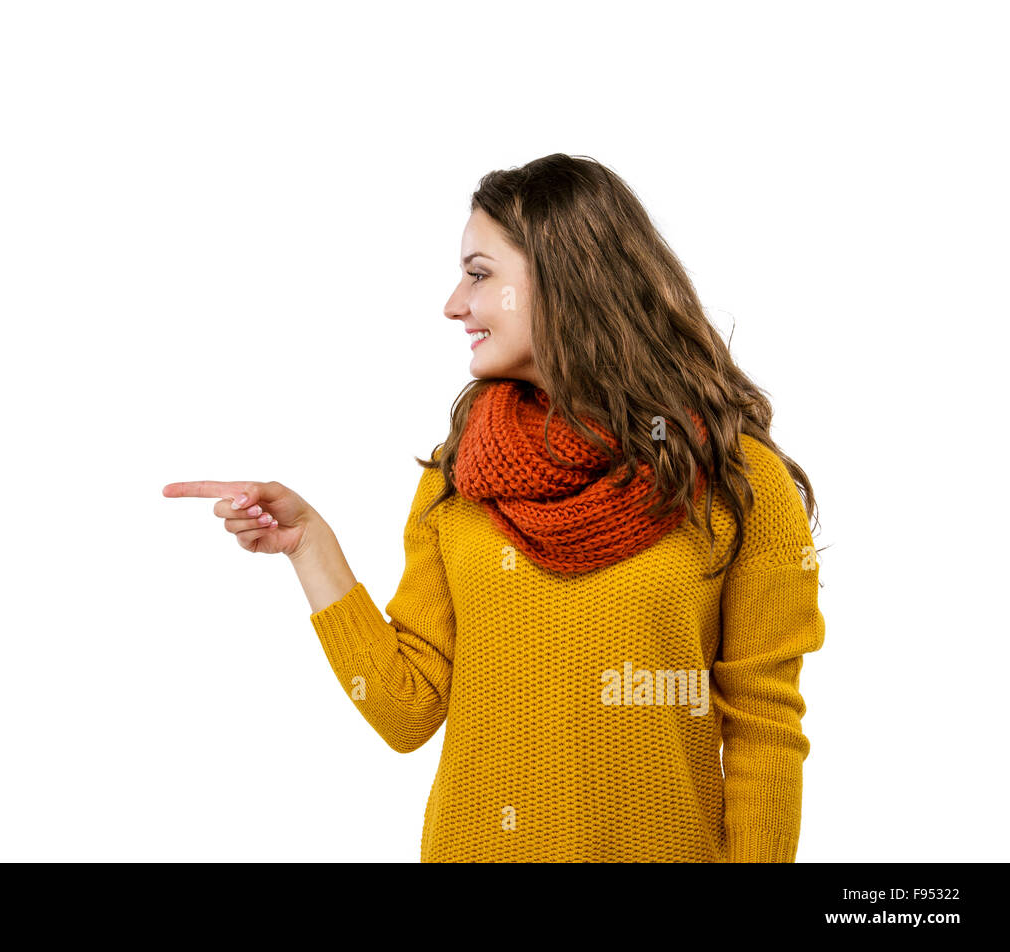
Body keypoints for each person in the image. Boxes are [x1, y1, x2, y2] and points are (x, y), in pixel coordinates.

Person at [162, 153, 826, 863]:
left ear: (567, 277)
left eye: (479, 274)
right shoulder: (460, 476)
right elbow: (407, 710)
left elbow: (762, 730)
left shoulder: (734, 480)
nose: (455, 304)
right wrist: (310, 545)